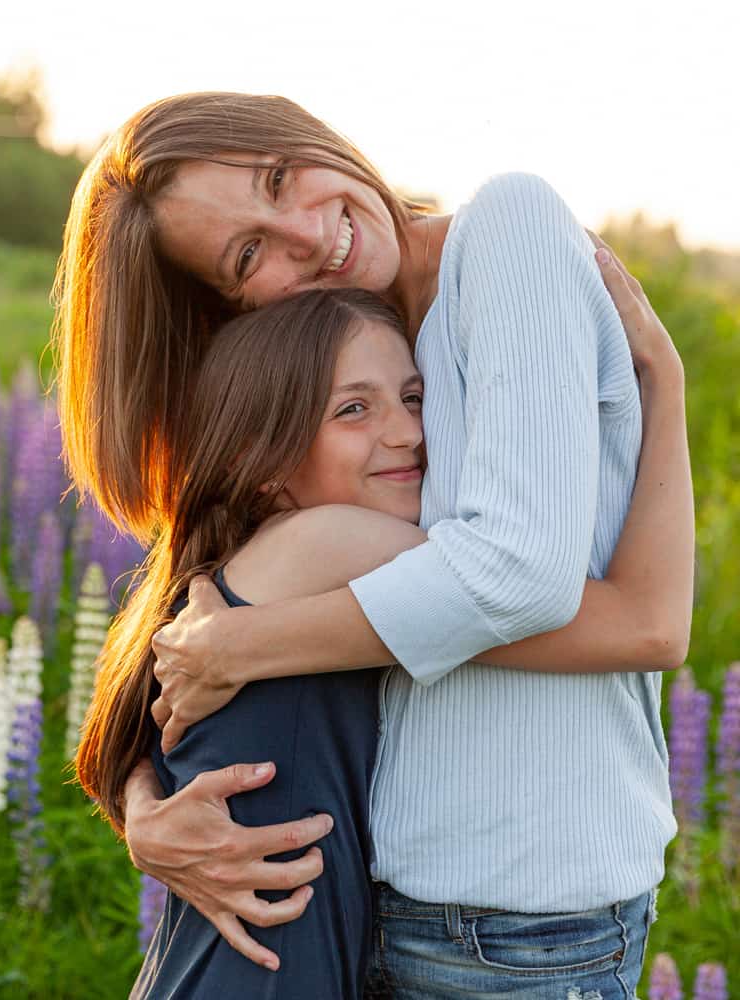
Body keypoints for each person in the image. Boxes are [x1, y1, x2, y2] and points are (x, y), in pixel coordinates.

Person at [50, 92, 693, 997]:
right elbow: (172, 634)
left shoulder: (506, 230)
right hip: (393, 917)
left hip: (521, 928)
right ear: (239, 308)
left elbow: (531, 578)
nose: (304, 235)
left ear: (297, 130)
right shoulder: (333, 375)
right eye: (249, 254)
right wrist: (147, 811)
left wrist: (245, 644)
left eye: (278, 179)